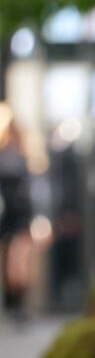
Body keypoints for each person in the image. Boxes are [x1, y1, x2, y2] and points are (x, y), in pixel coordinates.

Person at [0, 103, 34, 323]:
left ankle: (18, 306)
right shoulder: (6, 157)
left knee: (18, 264)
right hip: (7, 217)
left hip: (21, 216)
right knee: (9, 264)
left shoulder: (22, 159)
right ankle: (13, 305)